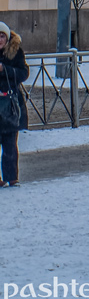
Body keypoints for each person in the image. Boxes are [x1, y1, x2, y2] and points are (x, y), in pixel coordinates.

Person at [0, 21, 29, 186]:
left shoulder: (15, 53)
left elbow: (24, 73)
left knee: (10, 143)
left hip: (10, 105)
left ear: (7, 37)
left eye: (2, 35)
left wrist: (5, 70)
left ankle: (12, 177)